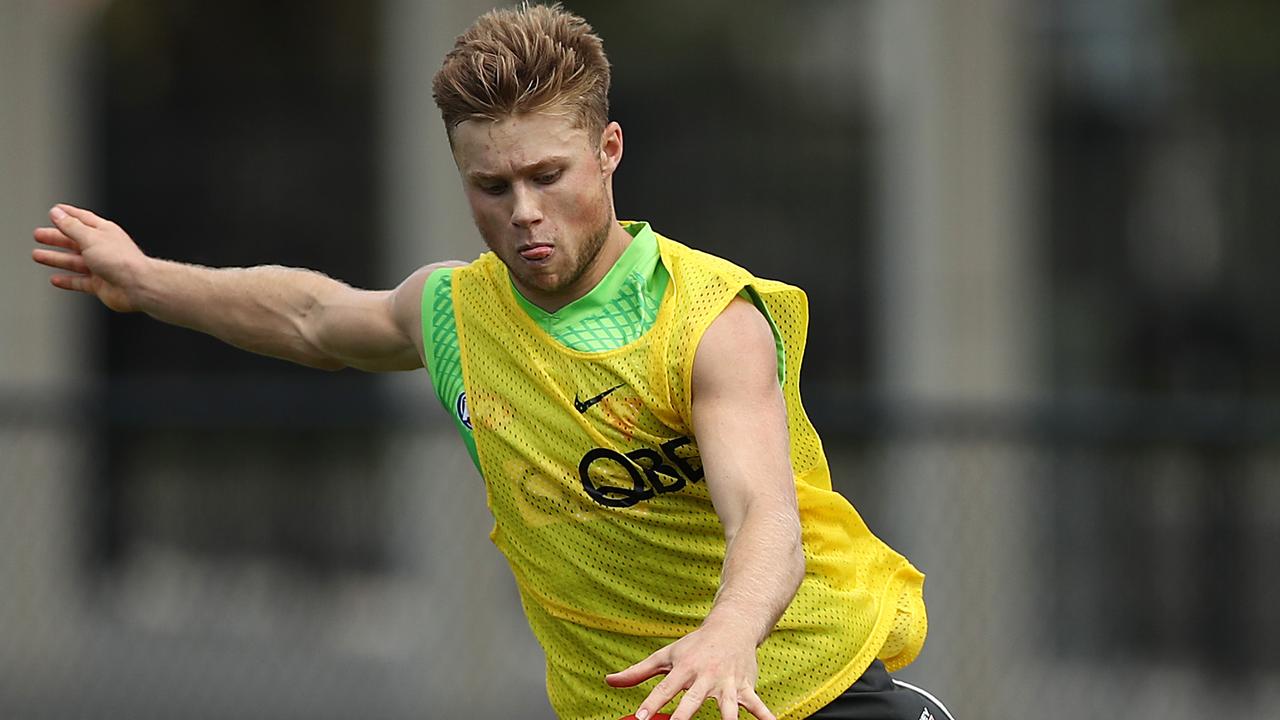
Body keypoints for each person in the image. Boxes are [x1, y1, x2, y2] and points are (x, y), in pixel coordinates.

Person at [30, 4, 954, 720]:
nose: (523, 211)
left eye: (548, 176)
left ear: (608, 151)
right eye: (492, 184)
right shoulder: (457, 313)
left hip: (804, 686)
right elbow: (312, 316)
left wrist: (726, 637)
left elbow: (765, 517)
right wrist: (147, 281)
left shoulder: (708, 320)